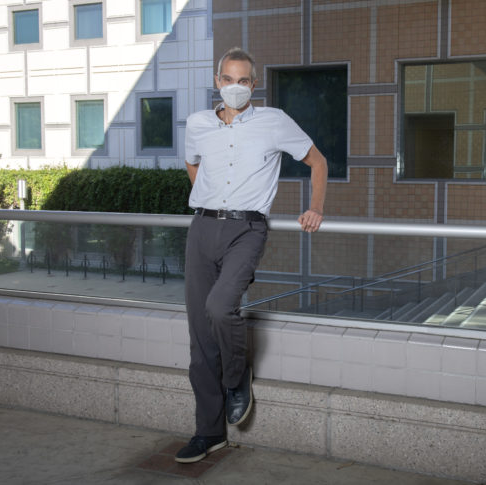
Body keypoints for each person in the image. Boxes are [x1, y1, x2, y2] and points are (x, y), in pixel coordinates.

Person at [175, 47, 328, 463]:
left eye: (244, 81)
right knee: (199, 338)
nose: (236, 87)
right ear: (217, 81)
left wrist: (315, 207)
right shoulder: (199, 123)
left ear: (253, 85)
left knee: (222, 307)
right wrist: (208, 197)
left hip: (247, 228)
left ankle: (237, 372)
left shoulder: (273, 121)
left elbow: (318, 161)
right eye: (229, 79)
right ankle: (209, 433)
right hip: (203, 227)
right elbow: (194, 165)